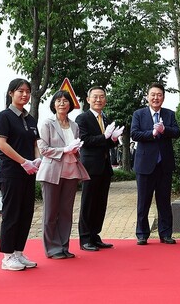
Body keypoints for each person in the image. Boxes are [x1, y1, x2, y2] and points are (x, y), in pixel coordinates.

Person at [37, 90, 90, 259]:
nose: (62, 103)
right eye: (58, 101)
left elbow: (76, 148)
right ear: (53, 104)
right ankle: (52, 248)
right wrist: (64, 150)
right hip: (52, 171)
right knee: (51, 212)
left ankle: (63, 246)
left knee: (66, 211)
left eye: (65, 101)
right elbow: (43, 149)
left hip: (71, 171)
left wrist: (74, 150)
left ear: (70, 105)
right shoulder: (47, 124)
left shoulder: (74, 126)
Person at [0, 78, 41, 271]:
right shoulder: (4, 116)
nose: (24, 94)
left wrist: (37, 160)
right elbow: (2, 144)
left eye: (27, 91)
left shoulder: (30, 119)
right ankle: (7, 256)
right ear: (11, 93)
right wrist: (23, 162)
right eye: (20, 91)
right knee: (11, 214)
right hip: (11, 172)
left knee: (26, 213)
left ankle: (18, 252)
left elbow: (34, 144)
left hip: (29, 173)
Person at [131, 83, 180, 245]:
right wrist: (152, 133)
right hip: (145, 165)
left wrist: (164, 129)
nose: (156, 98)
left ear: (163, 97)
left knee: (164, 201)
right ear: (147, 97)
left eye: (159, 95)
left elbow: (177, 132)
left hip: (164, 165)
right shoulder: (139, 114)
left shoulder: (169, 114)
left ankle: (165, 234)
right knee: (143, 201)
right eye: (153, 94)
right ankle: (142, 234)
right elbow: (134, 133)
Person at [75, 86, 123, 251]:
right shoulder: (82, 118)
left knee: (100, 203)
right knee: (88, 202)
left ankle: (95, 236)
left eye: (102, 97)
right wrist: (104, 137)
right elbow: (85, 140)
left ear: (105, 99)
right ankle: (85, 238)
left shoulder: (106, 118)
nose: (98, 100)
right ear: (88, 100)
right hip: (90, 167)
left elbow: (107, 143)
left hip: (104, 167)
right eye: (95, 97)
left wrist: (114, 139)